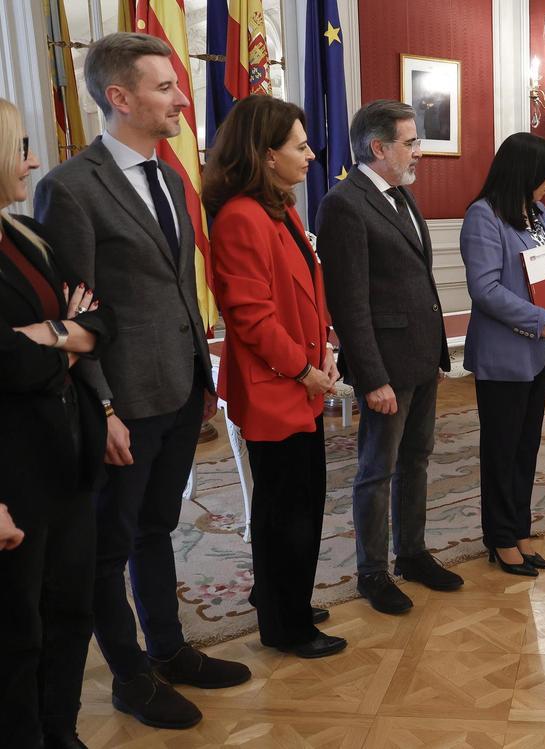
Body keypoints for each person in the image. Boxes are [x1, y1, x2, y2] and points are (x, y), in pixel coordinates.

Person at [34, 32, 248, 730]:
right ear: (119, 97)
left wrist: (203, 370)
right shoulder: (69, 188)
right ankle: (130, 675)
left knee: (158, 524)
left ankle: (170, 648)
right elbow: (73, 305)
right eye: (164, 87)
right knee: (109, 546)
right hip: (122, 401)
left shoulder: (170, 174)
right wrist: (102, 406)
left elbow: (178, 283)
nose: (181, 97)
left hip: (181, 386)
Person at [203, 96, 346, 658]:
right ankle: (285, 626)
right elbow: (251, 316)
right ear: (266, 155)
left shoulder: (279, 208)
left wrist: (326, 347)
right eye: (300, 146)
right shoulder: (241, 216)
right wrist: (307, 368)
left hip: (301, 380)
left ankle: (285, 596)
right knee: (286, 510)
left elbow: (308, 290)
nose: (311, 154)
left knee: (302, 500)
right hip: (276, 388)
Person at [317, 100, 462, 613]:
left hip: (421, 358)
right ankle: (372, 571)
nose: (419, 150)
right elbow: (350, 304)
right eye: (411, 142)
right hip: (385, 368)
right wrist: (371, 378)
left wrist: (438, 356)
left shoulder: (401, 194)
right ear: (379, 148)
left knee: (417, 461)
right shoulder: (345, 203)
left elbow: (418, 283)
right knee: (377, 469)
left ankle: (413, 554)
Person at [0, 99, 112, 749]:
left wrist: (45, 336)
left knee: (71, 608)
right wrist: (63, 340)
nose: (35, 161)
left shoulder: (28, 238)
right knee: (17, 632)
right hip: (12, 477)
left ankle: (61, 729)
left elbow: (102, 320)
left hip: (67, 458)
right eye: (20, 148)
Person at [461, 132, 545, 576]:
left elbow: (539, 269)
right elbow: (485, 290)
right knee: (501, 451)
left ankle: (520, 530)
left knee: (525, 449)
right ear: (525, 172)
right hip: (504, 354)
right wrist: (539, 318)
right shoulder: (482, 216)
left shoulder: (536, 212)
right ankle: (500, 539)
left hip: (538, 352)